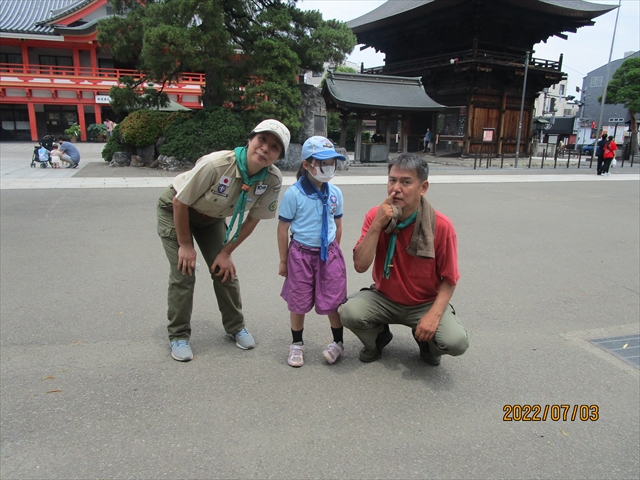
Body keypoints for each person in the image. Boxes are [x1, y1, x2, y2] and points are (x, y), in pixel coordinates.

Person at [157, 119, 290, 362]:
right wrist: (186, 245)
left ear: (278, 156)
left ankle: (235, 327)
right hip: (177, 209)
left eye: (274, 147)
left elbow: (252, 220)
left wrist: (226, 252)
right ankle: (179, 335)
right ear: (250, 139)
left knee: (225, 271)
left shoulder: (271, 179)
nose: (264, 148)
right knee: (184, 272)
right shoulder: (217, 164)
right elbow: (180, 202)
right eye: (262, 139)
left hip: (211, 218)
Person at [338, 153, 469, 365]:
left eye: (406, 182)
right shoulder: (376, 215)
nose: (395, 188)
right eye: (392, 180)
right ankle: (379, 338)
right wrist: (377, 226)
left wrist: (433, 315)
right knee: (348, 311)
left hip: (424, 303)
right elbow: (360, 266)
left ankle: (428, 345)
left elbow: (450, 279)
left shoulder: (441, 226)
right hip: (384, 298)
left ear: (423, 187)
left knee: (456, 341)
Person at [278, 136, 347, 367]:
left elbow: (337, 225)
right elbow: (283, 228)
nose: (329, 167)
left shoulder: (335, 192)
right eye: (322, 162)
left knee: (334, 299)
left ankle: (338, 343)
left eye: (332, 162)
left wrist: (333, 250)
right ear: (307, 165)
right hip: (300, 254)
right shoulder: (293, 194)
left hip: (328, 254)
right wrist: (283, 260)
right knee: (298, 300)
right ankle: (296, 344)